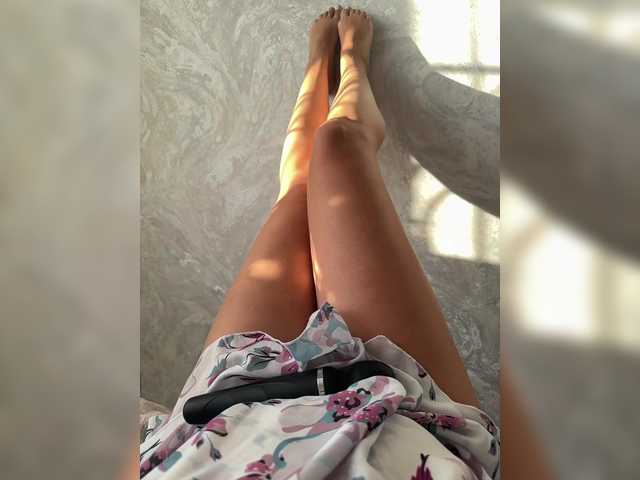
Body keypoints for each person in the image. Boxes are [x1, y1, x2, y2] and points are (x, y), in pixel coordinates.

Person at [140, 7, 500, 479]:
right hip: (400, 410)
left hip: (222, 411)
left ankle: (316, 67)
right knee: (338, 144)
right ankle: (351, 62)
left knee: (297, 190)